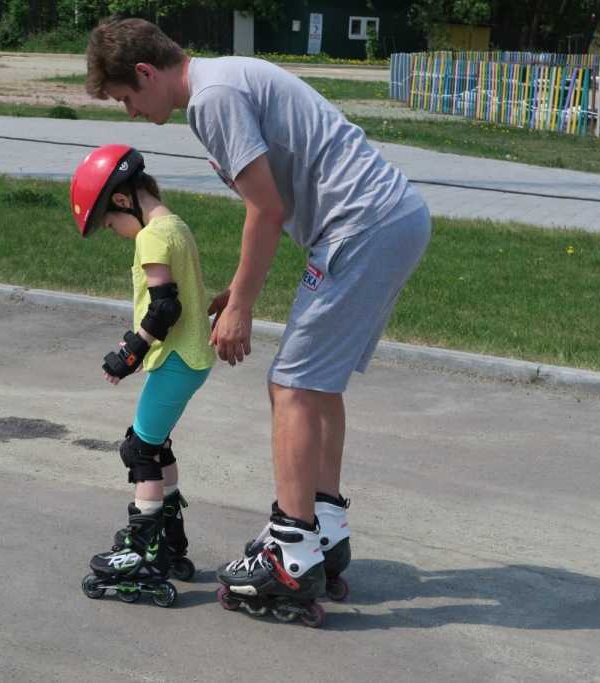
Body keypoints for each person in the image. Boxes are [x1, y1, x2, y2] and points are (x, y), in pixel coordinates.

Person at [84, 18, 432, 625]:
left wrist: (244, 304)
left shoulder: (212, 101)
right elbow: (276, 202)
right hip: (389, 216)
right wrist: (235, 290)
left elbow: (265, 209)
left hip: (363, 224)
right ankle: (325, 527)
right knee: (316, 384)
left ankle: (290, 553)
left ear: (145, 73)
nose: (133, 113)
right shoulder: (224, 81)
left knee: (290, 385)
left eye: (127, 100)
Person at [71, 144, 215, 607]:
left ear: (120, 201)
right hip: (191, 359)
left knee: (140, 450)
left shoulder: (151, 236)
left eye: (110, 225)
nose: (114, 232)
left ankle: (143, 553)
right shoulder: (176, 225)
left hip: (174, 361)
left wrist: (129, 353)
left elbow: (164, 307)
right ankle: (170, 539)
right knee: (158, 444)